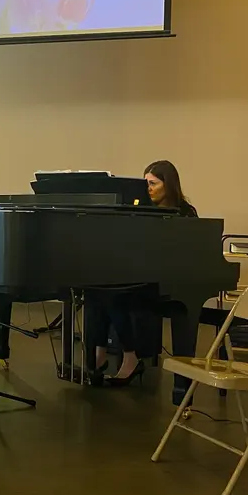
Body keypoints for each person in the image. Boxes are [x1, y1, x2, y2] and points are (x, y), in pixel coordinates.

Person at [84, 160, 198, 387]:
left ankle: (129, 357)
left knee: (114, 295)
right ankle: (99, 353)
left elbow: (187, 254)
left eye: (153, 183)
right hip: (142, 276)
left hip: (168, 281)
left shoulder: (186, 213)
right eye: (145, 183)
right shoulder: (141, 210)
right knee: (96, 289)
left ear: (169, 185)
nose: (149, 189)